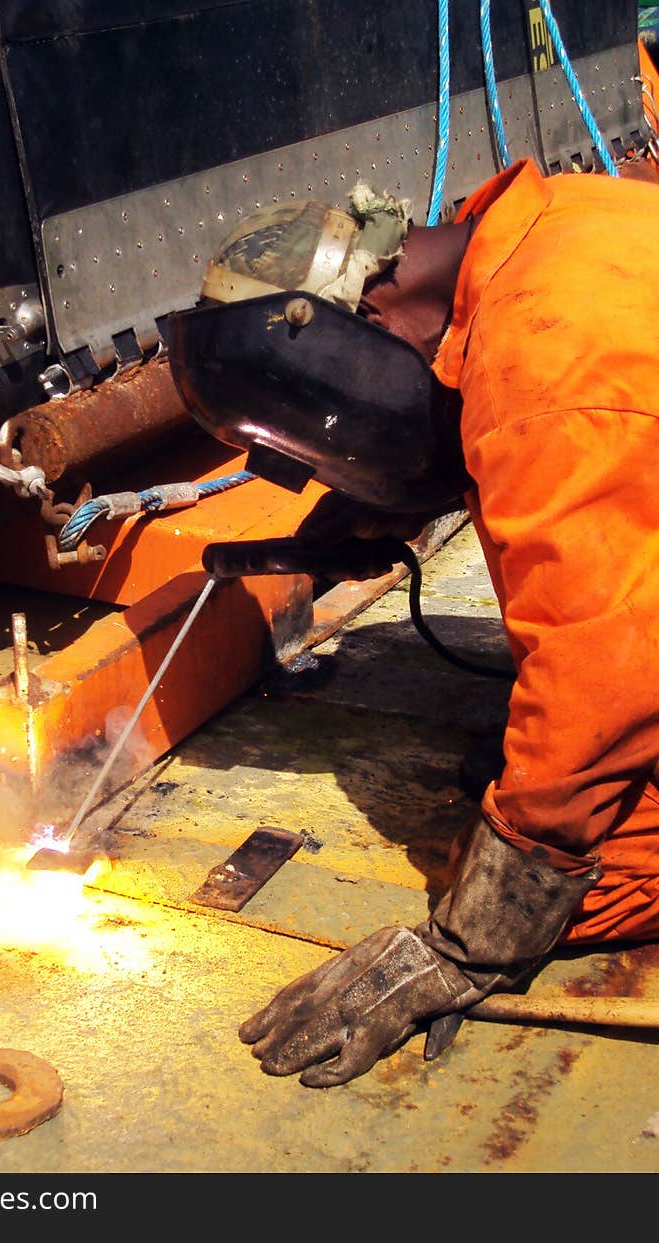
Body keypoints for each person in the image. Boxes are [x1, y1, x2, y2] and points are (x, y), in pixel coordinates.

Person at [166, 153, 659, 1087]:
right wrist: (386, 501)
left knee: (579, 862)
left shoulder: (546, 370)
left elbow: (608, 670)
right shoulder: (546, 228)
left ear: (367, 328)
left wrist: (469, 944)